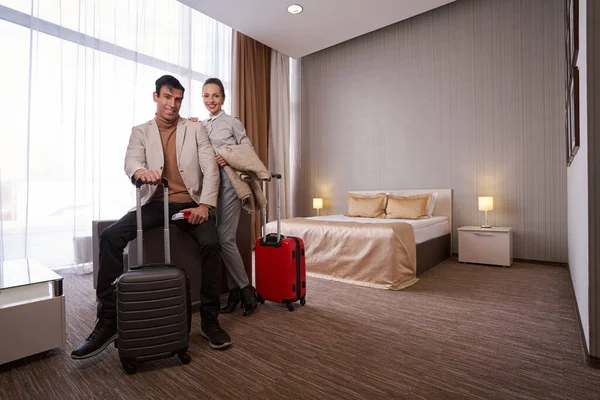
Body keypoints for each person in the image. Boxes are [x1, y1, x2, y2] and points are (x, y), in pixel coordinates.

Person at [71, 75, 231, 360]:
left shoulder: (194, 128)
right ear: (156, 97)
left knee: (211, 244)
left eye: (178, 99)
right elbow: (131, 160)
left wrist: (206, 206)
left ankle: (209, 320)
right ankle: (108, 320)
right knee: (109, 237)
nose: (173, 104)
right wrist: (139, 172)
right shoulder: (140, 131)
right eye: (167, 97)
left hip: (190, 204)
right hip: (156, 202)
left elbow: (210, 169)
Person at [201, 77, 258, 317]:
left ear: (222, 98)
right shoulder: (202, 125)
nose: (210, 100)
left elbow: (248, 151)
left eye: (215, 95)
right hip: (210, 187)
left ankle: (246, 290)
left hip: (230, 184)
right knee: (221, 239)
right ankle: (235, 292)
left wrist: (228, 155)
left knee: (224, 238)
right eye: (206, 96)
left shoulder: (231, 121)